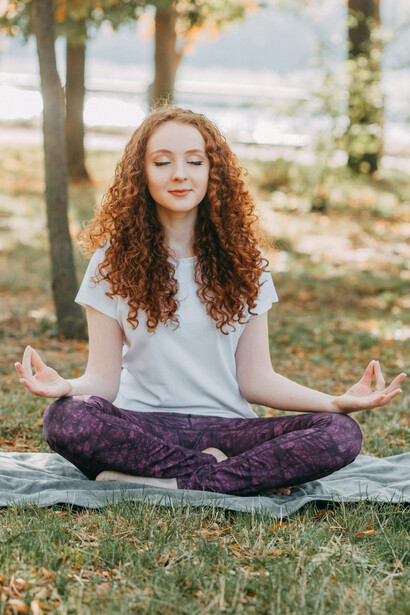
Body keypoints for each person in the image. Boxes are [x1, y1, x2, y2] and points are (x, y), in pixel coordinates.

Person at [15, 106, 406, 497]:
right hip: (141, 428)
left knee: (340, 433)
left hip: (229, 429)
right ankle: (220, 475)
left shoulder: (245, 262)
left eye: (194, 161)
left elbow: (257, 380)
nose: (179, 174)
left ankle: (161, 481)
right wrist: (66, 385)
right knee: (66, 418)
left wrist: (335, 402)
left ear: (212, 172)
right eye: (163, 162)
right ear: (141, 174)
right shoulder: (111, 261)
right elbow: (102, 380)